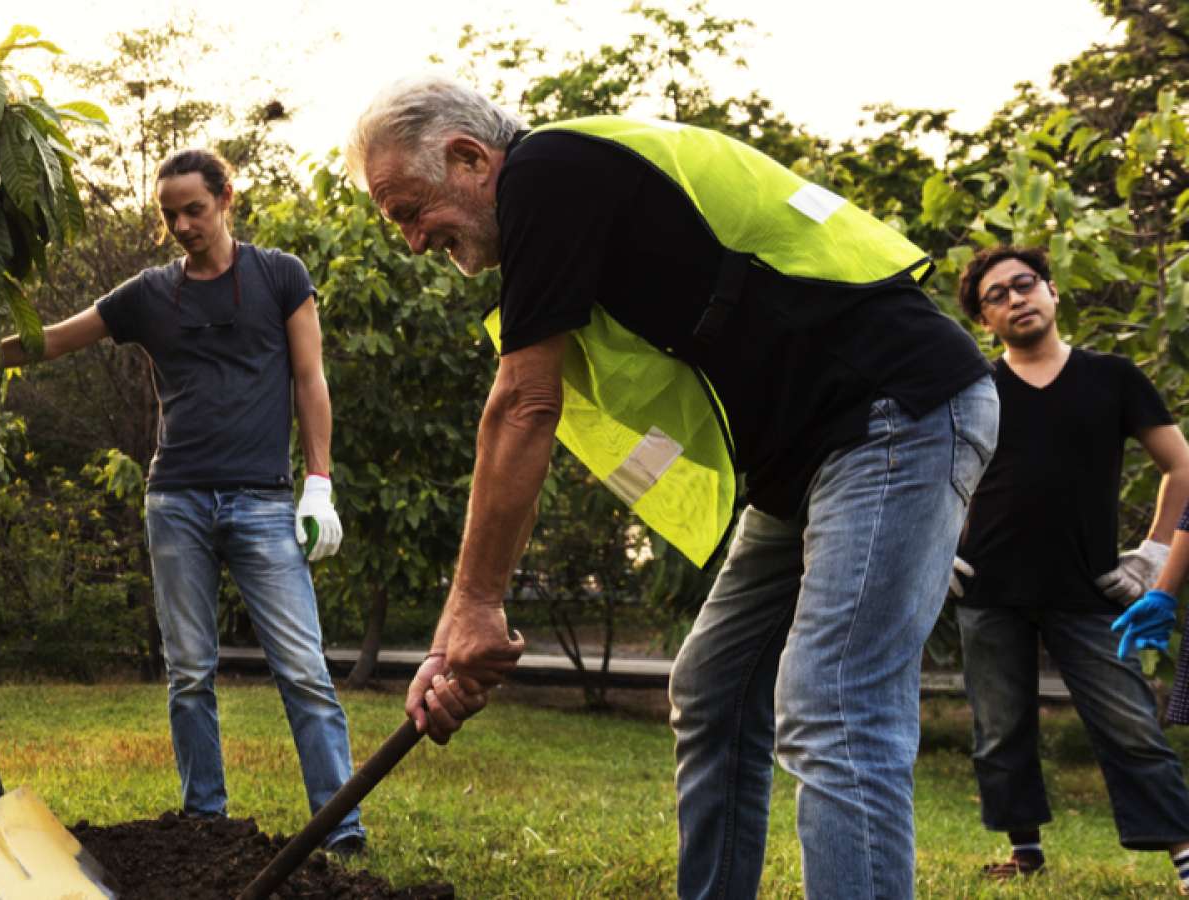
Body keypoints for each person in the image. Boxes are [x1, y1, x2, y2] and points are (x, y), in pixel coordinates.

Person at [347, 75, 995, 899]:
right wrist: (456, 641)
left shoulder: (546, 172)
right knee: (714, 684)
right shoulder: (571, 214)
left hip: (894, 411)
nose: (409, 240)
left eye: (407, 209)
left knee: (834, 700)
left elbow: (523, 407)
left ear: (471, 157)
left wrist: (472, 606)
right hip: (811, 458)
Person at [0, 148, 364, 855]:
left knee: (305, 671)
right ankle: (205, 822)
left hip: (261, 501)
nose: (183, 226)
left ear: (227, 197)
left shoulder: (281, 276)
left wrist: (320, 482)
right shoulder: (148, 295)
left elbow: (311, 381)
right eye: (170, 216)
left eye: (194, 209)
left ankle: (340, 828)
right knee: (190, 672)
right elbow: (56, 340)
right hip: (177, 502)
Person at [944, 245, 1189, 888]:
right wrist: (933, 550)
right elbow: (928, 475)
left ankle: (1186, 857)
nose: (1014, 298)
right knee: (999, 732)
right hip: (989, 591)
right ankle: (1025, 853)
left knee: (1131, 724)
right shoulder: (976, 390)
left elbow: (1182, 467)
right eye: (996, 296)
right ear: (985, 321)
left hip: (1091, 589)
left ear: (1052, 291)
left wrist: (1155, 553)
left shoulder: (1113, 377)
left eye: (1023, 285)